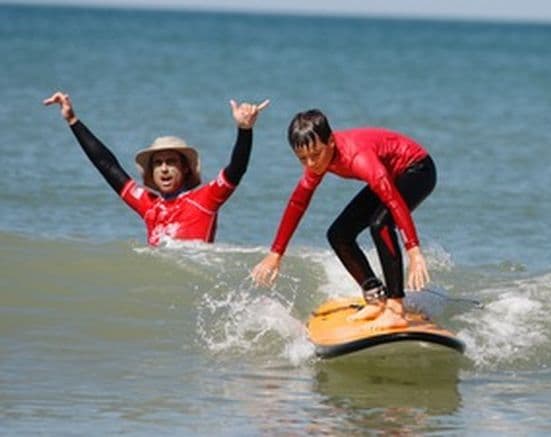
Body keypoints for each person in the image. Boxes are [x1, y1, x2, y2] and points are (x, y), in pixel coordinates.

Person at [251, 109, 435, 330]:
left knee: (380, 224)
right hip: (388, 174)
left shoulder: (359, 158)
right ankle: (376, 298)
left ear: (330, 142)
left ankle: (396, 307)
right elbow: (297, 203)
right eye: (302, 158)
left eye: (315, 154)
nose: (310, 164)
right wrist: (276, 253)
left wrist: (414, 251)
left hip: (417, 169)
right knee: (339, 234)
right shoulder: (317, 161)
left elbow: (394, 202)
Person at [43, 91, 269, 246]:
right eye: (158, 164)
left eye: (171, 162)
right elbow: (107, 165)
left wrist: (244, 130)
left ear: (186, 169)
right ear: (150, 173)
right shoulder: (149, 206)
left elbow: (236, 170)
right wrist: (73, 120)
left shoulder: (205, 199)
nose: (164, 169)